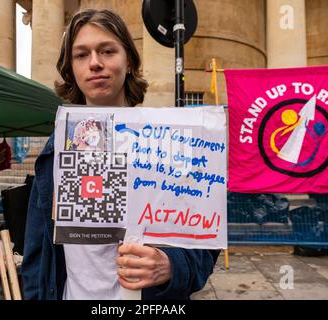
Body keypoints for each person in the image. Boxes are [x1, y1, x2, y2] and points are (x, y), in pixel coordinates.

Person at [21, 8, 220, 300]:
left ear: (128, 61)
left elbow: (205, 244)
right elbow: (37, 251)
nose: (95, 63)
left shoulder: (168, 143)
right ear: (71, 70)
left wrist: (171, 265)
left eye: (107, 51)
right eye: (81, 55)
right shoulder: (58, 147)